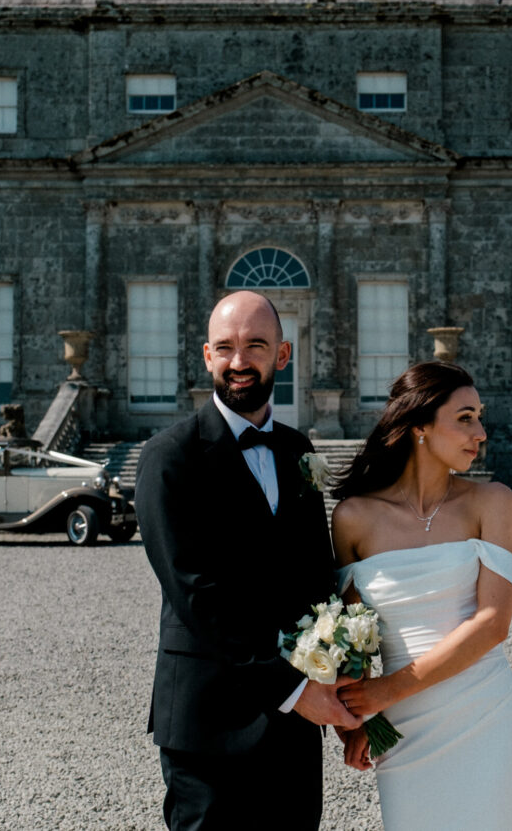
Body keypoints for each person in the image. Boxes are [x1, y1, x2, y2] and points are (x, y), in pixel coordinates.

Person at [135, 290, 361, 830]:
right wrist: (297, 690)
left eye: (255, 346)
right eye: (226, 348)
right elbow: (197, 595)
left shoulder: (298, 449)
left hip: (294, 733)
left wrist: (347, 689)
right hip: (209, 724)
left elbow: (316, 577)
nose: (239, 361)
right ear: (207, 356)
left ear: (282, 355)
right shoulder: (169, 457)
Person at [332, 361, 512, 830]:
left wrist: (386, 691)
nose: (480, 432)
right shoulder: (353, 518)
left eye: (479, 417)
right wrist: (354, 720)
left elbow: (493, 623)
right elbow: (350, 637)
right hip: (403, 733)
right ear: (419, 424)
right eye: (465, 418)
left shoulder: (493, 502)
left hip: (487, 717)